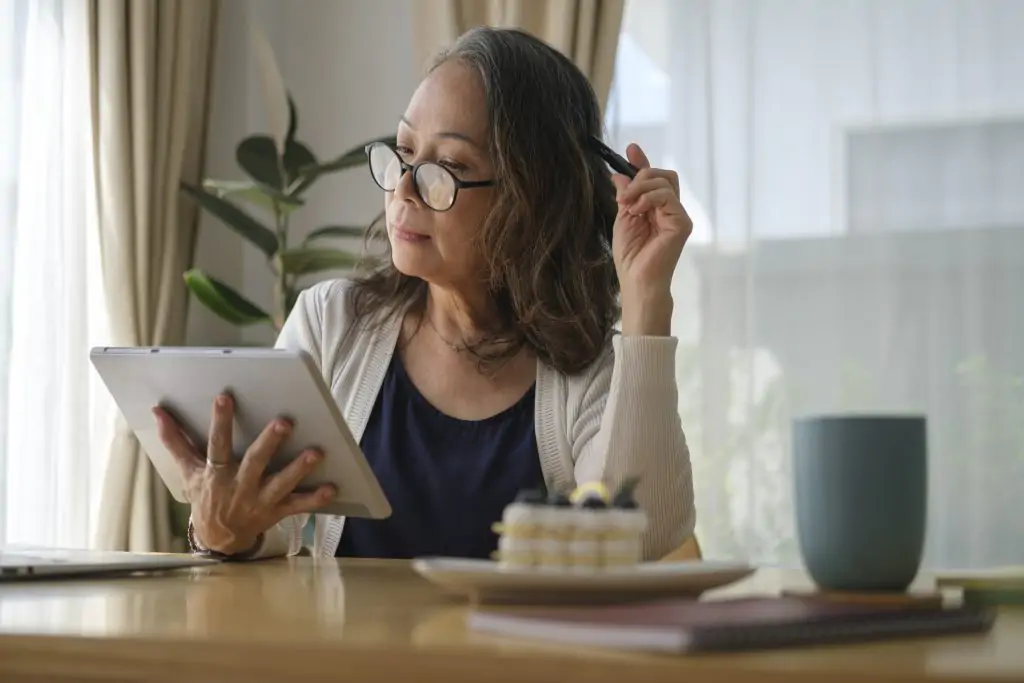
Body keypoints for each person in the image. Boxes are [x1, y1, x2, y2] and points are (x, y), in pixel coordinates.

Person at [156, 26, 696, 562]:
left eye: (452, 168)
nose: (404, 188)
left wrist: (649, 298)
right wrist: (221, 530)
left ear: (530, 197)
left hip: (513, 653)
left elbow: (640, 537)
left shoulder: (589, 371)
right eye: (405, 151)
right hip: (345, 651)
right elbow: (269, 528)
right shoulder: (331, 324)